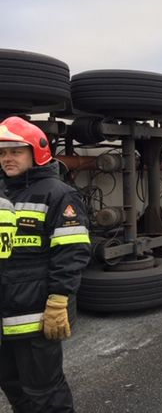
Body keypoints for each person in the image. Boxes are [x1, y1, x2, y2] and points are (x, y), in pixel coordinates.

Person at [0, 116, 91, 412]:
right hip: (5, 314)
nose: (7, 158)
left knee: (45, 393)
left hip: (38, 313)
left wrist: (58, 301)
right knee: (14, 388)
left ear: (35, 152)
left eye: (16, 151)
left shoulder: (58, 194)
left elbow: (72, 251)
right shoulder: (3, 193)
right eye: (2, 152)